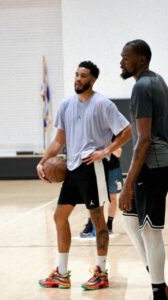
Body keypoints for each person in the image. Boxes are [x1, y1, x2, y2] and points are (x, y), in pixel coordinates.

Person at [36, 61, 131, 290]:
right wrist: (42, 162)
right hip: (72, 167)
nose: (78, 78)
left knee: (97, 219)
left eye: (83, 75)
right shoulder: (66, 105)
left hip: (92, 167)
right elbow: (59, 140)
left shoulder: (102, 104)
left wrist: (106, 150)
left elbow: (127, 131)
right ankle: (61, 273)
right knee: (59, 216)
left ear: (93, 80)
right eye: (77, 74)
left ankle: (101, 272)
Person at [119, 40, 168, 300]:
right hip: (157, 161)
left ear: (141, 60)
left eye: (126, 57)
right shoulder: (157, 80)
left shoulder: (141, 87)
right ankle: (159, 281)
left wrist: (128, 183)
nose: (121, 61)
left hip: (152, 163)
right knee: (129, 218)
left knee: (150, 230)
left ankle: (158, 294)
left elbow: (143, 140)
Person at [80, 146, 123, 237]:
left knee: (112, 197)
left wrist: (106, 147)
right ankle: (90, 223)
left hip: (112, 168)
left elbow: (118, 153)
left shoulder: (113, 134)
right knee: (92, 196)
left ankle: (109, 224)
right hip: (96, 166)